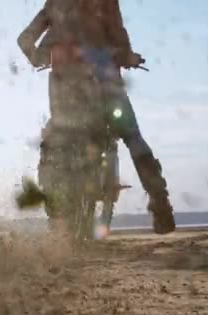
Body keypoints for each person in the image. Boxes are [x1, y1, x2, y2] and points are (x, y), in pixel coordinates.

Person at [17, 0, 175, 237]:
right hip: (104, 87)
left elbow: (25, 39)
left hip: (67, 94)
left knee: (52, 142)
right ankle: (159, 200)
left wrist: (41, 57)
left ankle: (55, 211)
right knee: (133, 138)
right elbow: (119, 36)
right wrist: (127, 57)